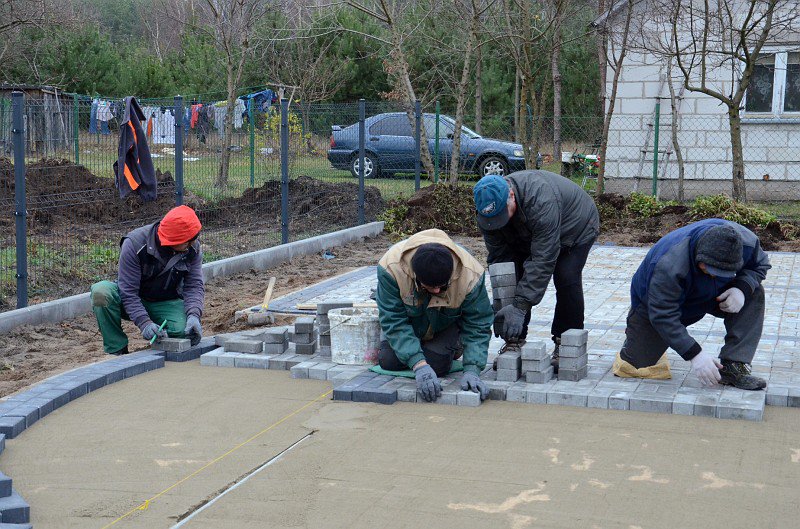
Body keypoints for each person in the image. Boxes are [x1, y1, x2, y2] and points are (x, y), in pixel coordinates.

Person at [615, 219, 770, 390]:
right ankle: (634, 337)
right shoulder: (669, 263)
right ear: (699, 255)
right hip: (657, 305)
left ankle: (735, 365)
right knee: (637, 363)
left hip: (713, 295)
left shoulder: (745, 242)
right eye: (709, 270)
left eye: (722, 272)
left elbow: (760, 264)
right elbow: (663, 314)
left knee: (754, 293)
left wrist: (741, 289)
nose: (713, 275)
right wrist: (695, 354)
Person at [473, 170, 600, 371]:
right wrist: (503, 306)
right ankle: (514, 340)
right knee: (512, 274)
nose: (498, 222)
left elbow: (542, 259)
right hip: (529, 232)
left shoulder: (540, 200)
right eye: (493, 219)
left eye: (502, 214)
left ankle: (565, 341)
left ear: (511, 195)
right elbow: (500, 260)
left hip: (576, 227)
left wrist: (520, 306)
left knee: (566, 277)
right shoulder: (488, 212)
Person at [376, 229, 494, 402]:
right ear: (416, 277)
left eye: (442, 286)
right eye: (431, 287)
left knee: (437, 364)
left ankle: (454, 345)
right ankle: (423, 352)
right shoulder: (391, 268)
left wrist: (472, 369)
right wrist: (419, 365)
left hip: (446, 324)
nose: (437, 291)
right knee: (387, 360)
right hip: (412, 323)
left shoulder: (471, 275)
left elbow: (478, 323)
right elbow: (393, 320)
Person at [90, 205, 205, 355]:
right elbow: (128, 292)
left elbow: (194, 285)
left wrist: (194, 315)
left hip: (165, 301)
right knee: (101, 293)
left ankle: (168, 326)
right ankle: (117, 350)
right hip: (132, 299)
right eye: (186, 242)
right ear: (171, 240)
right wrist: (144, 323)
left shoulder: (192, 248)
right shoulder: (134, 244)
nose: (191, 245)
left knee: (184, 332)